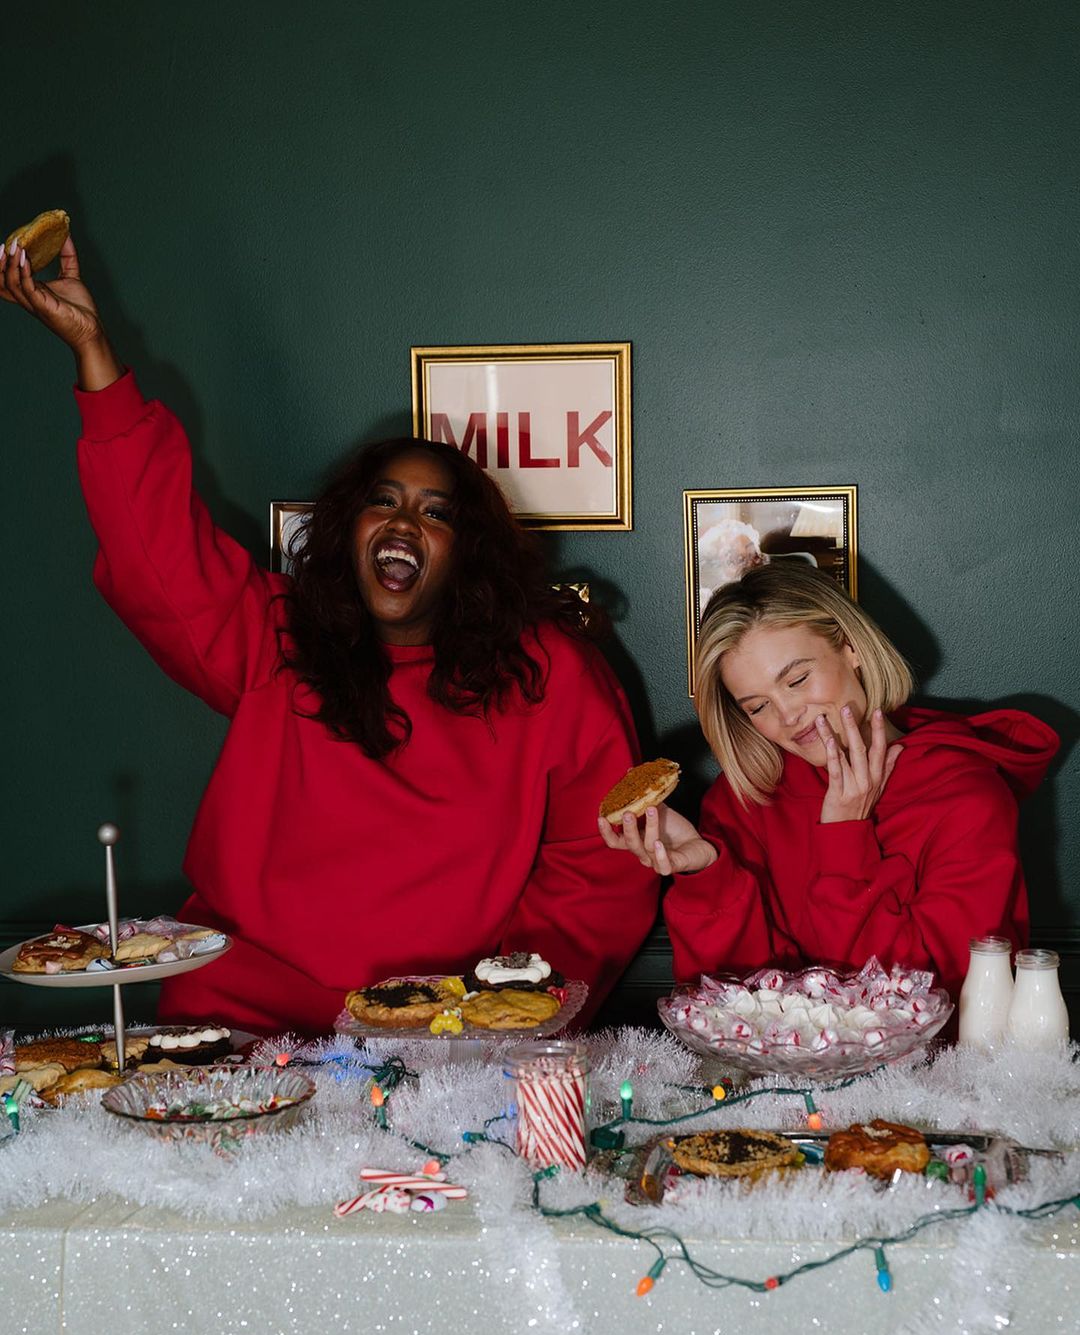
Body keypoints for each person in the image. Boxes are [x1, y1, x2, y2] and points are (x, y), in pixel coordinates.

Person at [2, 235, 658, 1034]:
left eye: (437, 512)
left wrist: (504, 1011)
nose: (404, 521)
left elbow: (600, 870)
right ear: (349, 529)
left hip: (446, 1037)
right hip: (247, 1011)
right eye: (384, 500)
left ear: (471, 553)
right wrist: (95, 357)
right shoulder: (276, 636)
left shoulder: (547, 671)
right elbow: (154, 555)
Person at [599, 563, 1058, 1001]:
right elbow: (727, 1002)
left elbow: (939, 1001)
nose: (788, 715)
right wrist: (707, 873)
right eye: (757, 706)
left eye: (797, 679)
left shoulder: (968, 798)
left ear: (851, 647)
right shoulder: (742, 801)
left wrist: (844, 837)